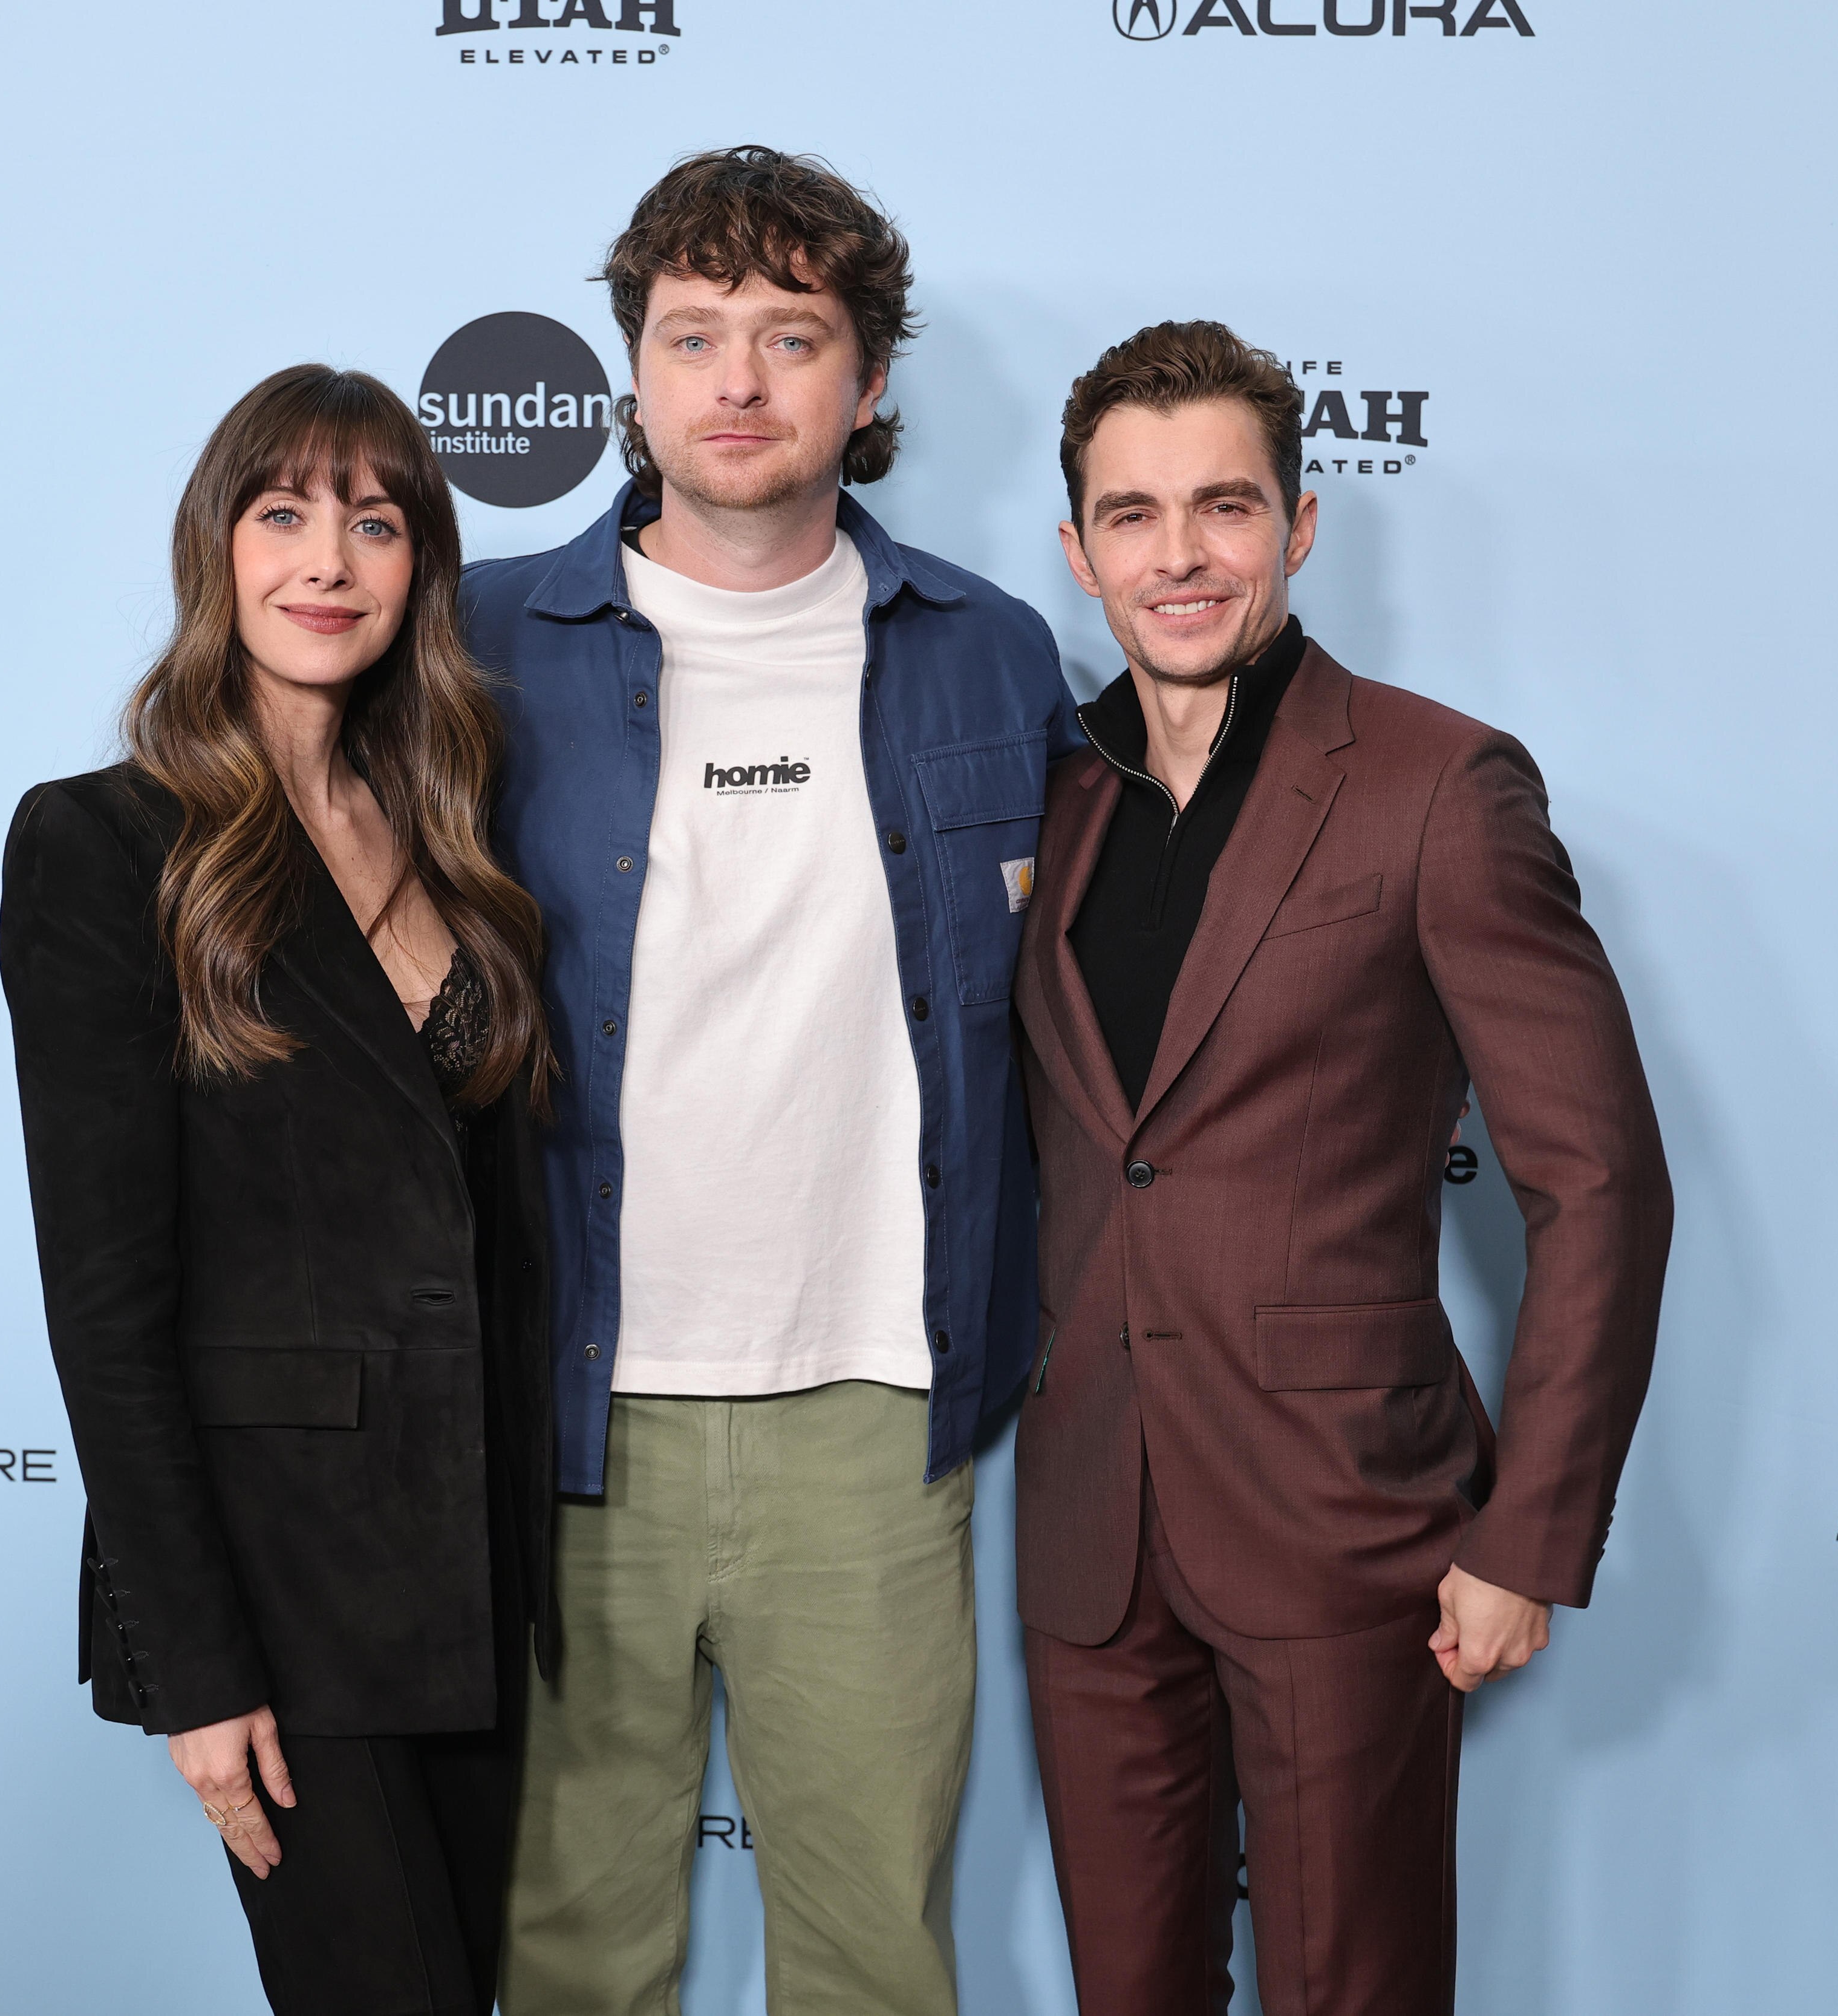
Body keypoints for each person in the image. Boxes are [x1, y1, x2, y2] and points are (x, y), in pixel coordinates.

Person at [461, 147, 1077, 2014]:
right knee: (572, 1960)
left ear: (869, 383)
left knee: (874, 1962)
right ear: (632, 375)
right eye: (695, 334)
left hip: (876, 1414)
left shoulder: (993, 654)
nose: (740, 379)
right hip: (571, 1410)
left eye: (793, 336)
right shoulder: (475, 649)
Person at [1012, 321, 1673, 2015]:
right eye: (1134, 515)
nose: (1180, 556)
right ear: (1076, 550)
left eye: (1224, 508)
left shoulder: (1439, 787)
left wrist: (1529, 1535)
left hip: (1342, 1524)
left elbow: (1599, 1185)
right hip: (1093, 1532)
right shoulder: (1052, 796)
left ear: (1299, 527)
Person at [0, 365, 559, 2016]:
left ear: (420, 571)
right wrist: (199, 1667)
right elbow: (107, 1303)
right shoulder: (103, 846)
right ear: (218, 547)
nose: (330, 560)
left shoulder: (464, 839)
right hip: (281, 1590)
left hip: (471, 1570)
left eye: (376, 523)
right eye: (286, 512)